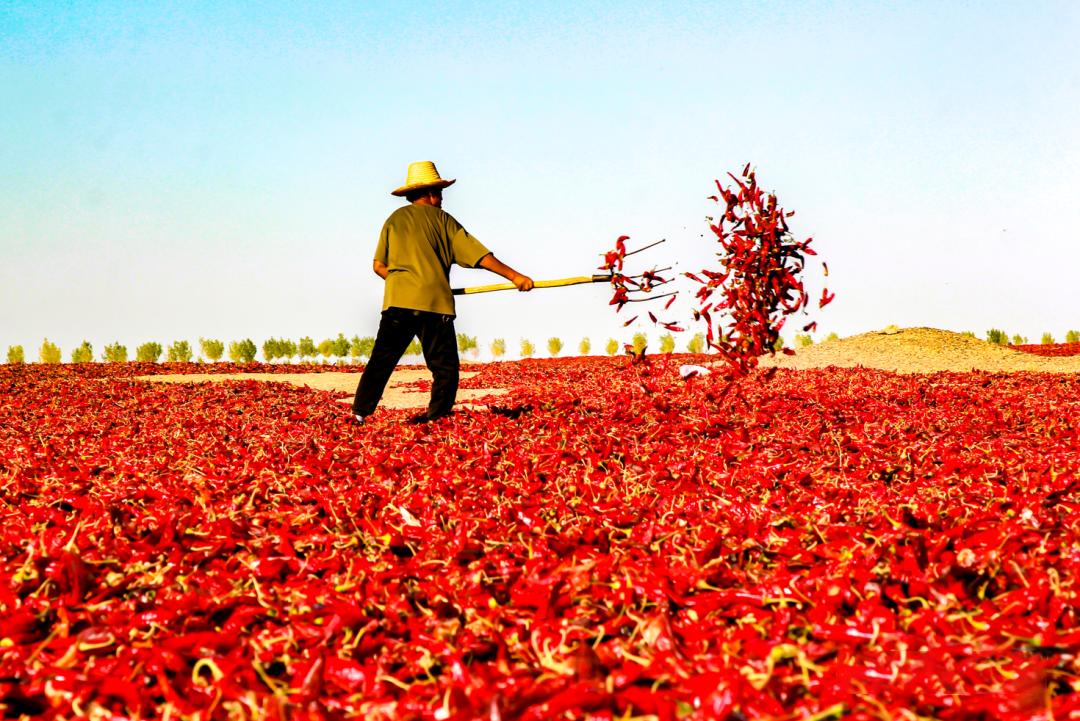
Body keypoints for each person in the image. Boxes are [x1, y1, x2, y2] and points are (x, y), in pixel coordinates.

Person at [352, 161, 534, 423]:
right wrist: (515, 276)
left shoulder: (394, 220)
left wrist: (402, 281)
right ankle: (437, 416)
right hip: (434, 305)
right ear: (430, 193)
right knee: (444, 368)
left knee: (382, 360)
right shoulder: (444, 221)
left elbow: (379, 266)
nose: (441, 199)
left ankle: (359, 413)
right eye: (439, 193)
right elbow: (480, 256)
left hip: (397, 303)